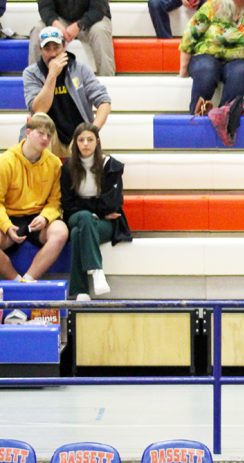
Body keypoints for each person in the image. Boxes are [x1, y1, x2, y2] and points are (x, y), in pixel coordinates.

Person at [60, 122, 131, 299]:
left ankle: (80, 291)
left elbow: (113, 202)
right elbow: (68, 205)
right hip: (77, 216)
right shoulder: (68, 168)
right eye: (81, 140)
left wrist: (91, 209)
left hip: (105, 223)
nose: (85, 144)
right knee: (83, 218)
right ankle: (97, 271)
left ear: (97, 142)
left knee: (78, 233)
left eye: (90, 139)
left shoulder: (110, 165)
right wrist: (97, 209)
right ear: (75, 143)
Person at [23, 25, 111, 160]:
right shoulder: (31, 73)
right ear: (40, 50)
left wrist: (93, 129)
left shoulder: (80, 69)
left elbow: (104, 101)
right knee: (40, 124)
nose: (52, 54)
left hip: (78, 135)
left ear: (64, 47)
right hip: (50, 136)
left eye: (56, 48)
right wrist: (52, 76)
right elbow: (39, 109)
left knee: (88, 141)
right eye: (47, 48)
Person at [0, 112, 68, 284]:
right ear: (28, 132)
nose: (45, 138)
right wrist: (7, 227)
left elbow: (55, 201)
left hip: (38, 218)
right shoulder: (5, 161)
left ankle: (29, 279)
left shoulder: (54, 163)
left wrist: (45, 218)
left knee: (60, 232)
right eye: (40, 133)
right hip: (9, 218)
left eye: (49, 135)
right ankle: (15, 281)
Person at [178, 0, 244, 117]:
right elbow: (190, 36)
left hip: (239, 60)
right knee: (207, 70)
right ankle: (197, 118)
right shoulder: (213, 5)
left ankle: (223, 118)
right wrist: (183, 69)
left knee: (242, 71)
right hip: (206, 55)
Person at [29, 0, 114, 76]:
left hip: (93, 20)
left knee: (100, 31)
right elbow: (45, 6)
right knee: (37, 31)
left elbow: (98, 9)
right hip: (59, 20)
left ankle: (108, 82)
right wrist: (54, 23)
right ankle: (34, 82)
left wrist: (79, 25)